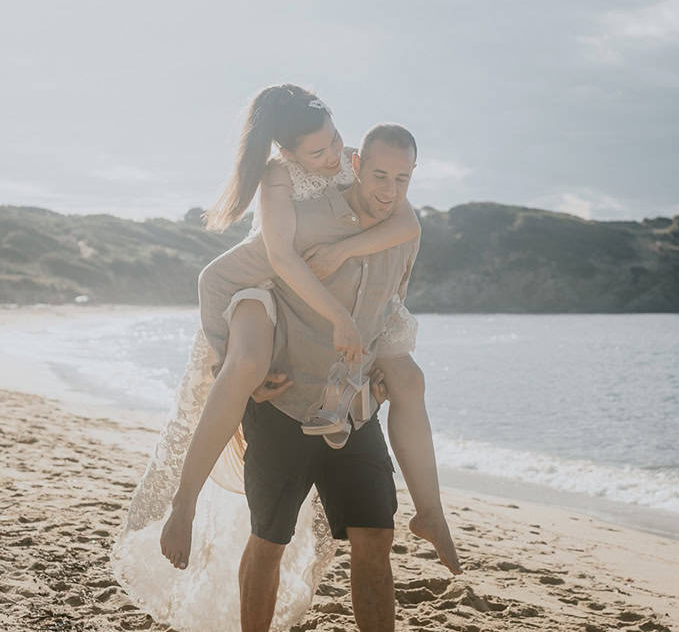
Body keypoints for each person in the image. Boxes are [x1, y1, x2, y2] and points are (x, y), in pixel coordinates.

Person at [111, 89, 455, 631]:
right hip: (258, 289)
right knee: (246, 373)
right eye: (319, 151)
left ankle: (429, 510)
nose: (333, 156)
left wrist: (349, 268)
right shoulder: (280, 182)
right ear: (289, 152)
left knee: (406, 392)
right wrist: (335, 318)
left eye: (336, 142)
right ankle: (184, 502)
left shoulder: (367, 180)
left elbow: (403, 238)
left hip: (347, 405)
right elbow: (279, 259)